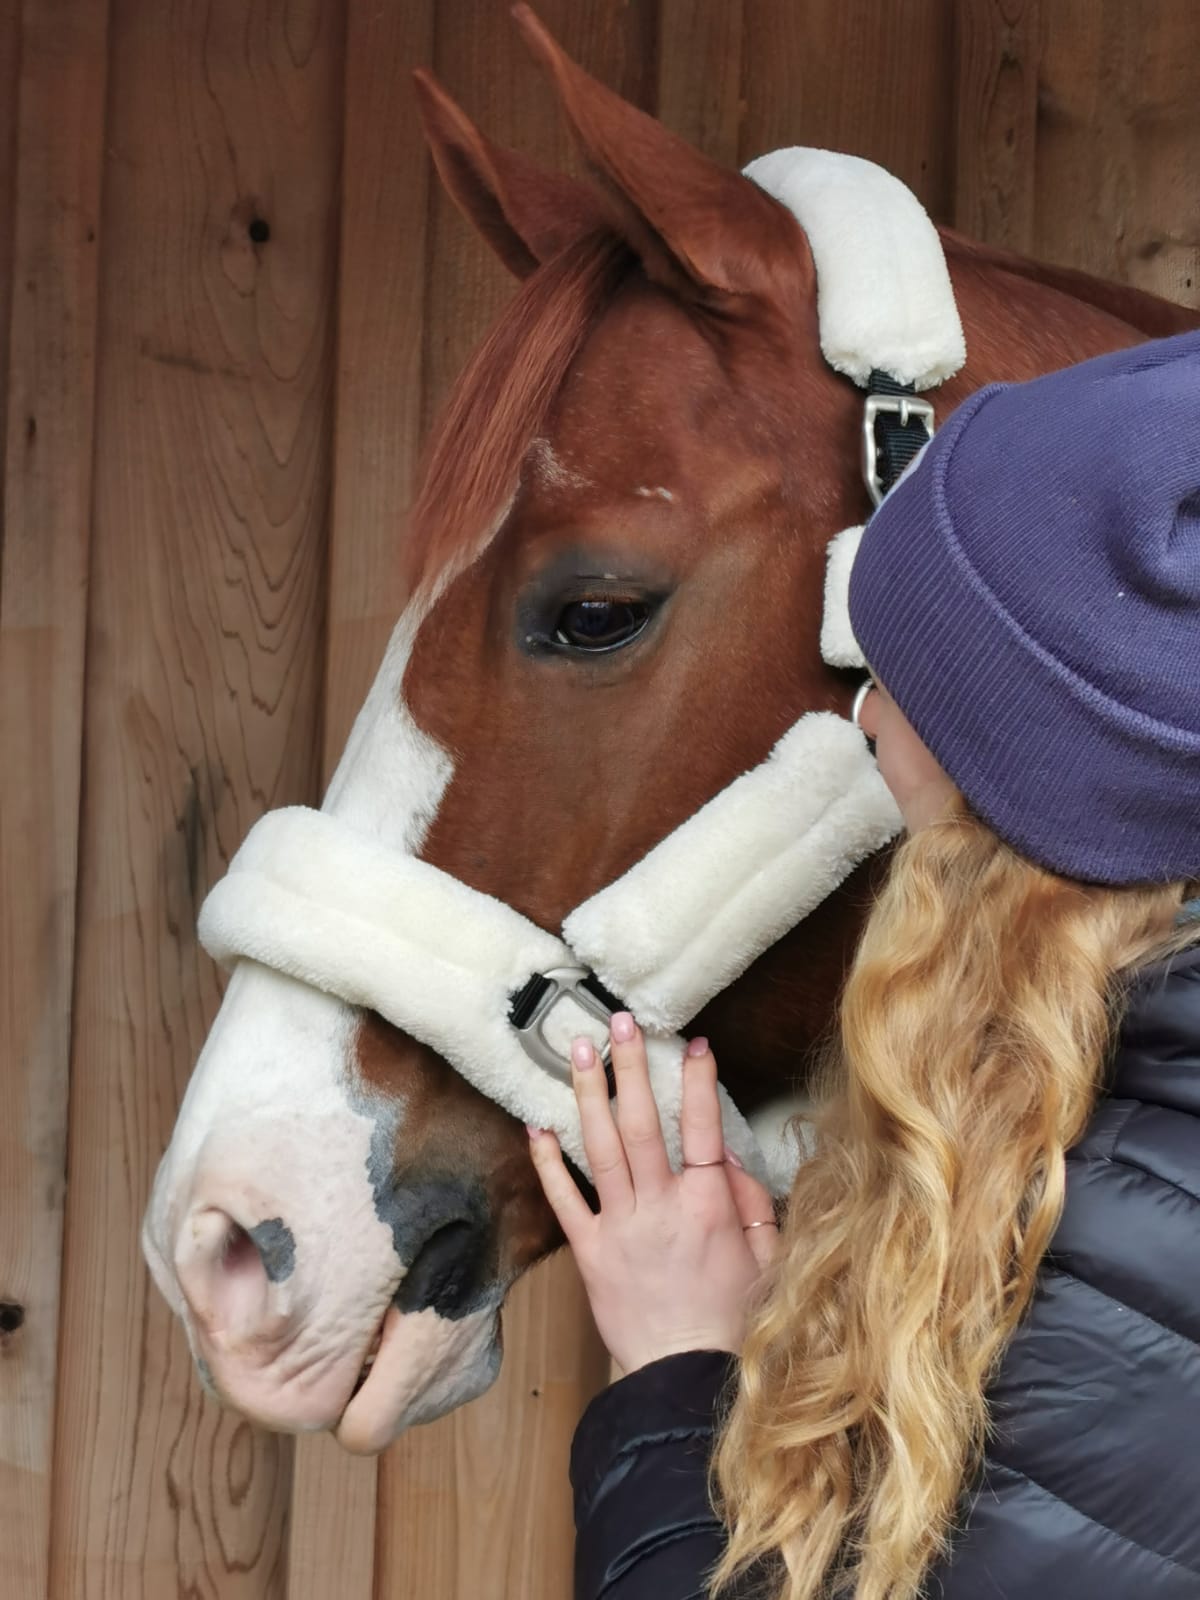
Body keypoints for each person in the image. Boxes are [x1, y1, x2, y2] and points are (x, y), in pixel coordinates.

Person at [525, 332, 1200, 1599]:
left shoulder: (1109, 1309)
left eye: (906, 677)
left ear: (1030, 789)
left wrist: (675, 1370)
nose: (864, 715)